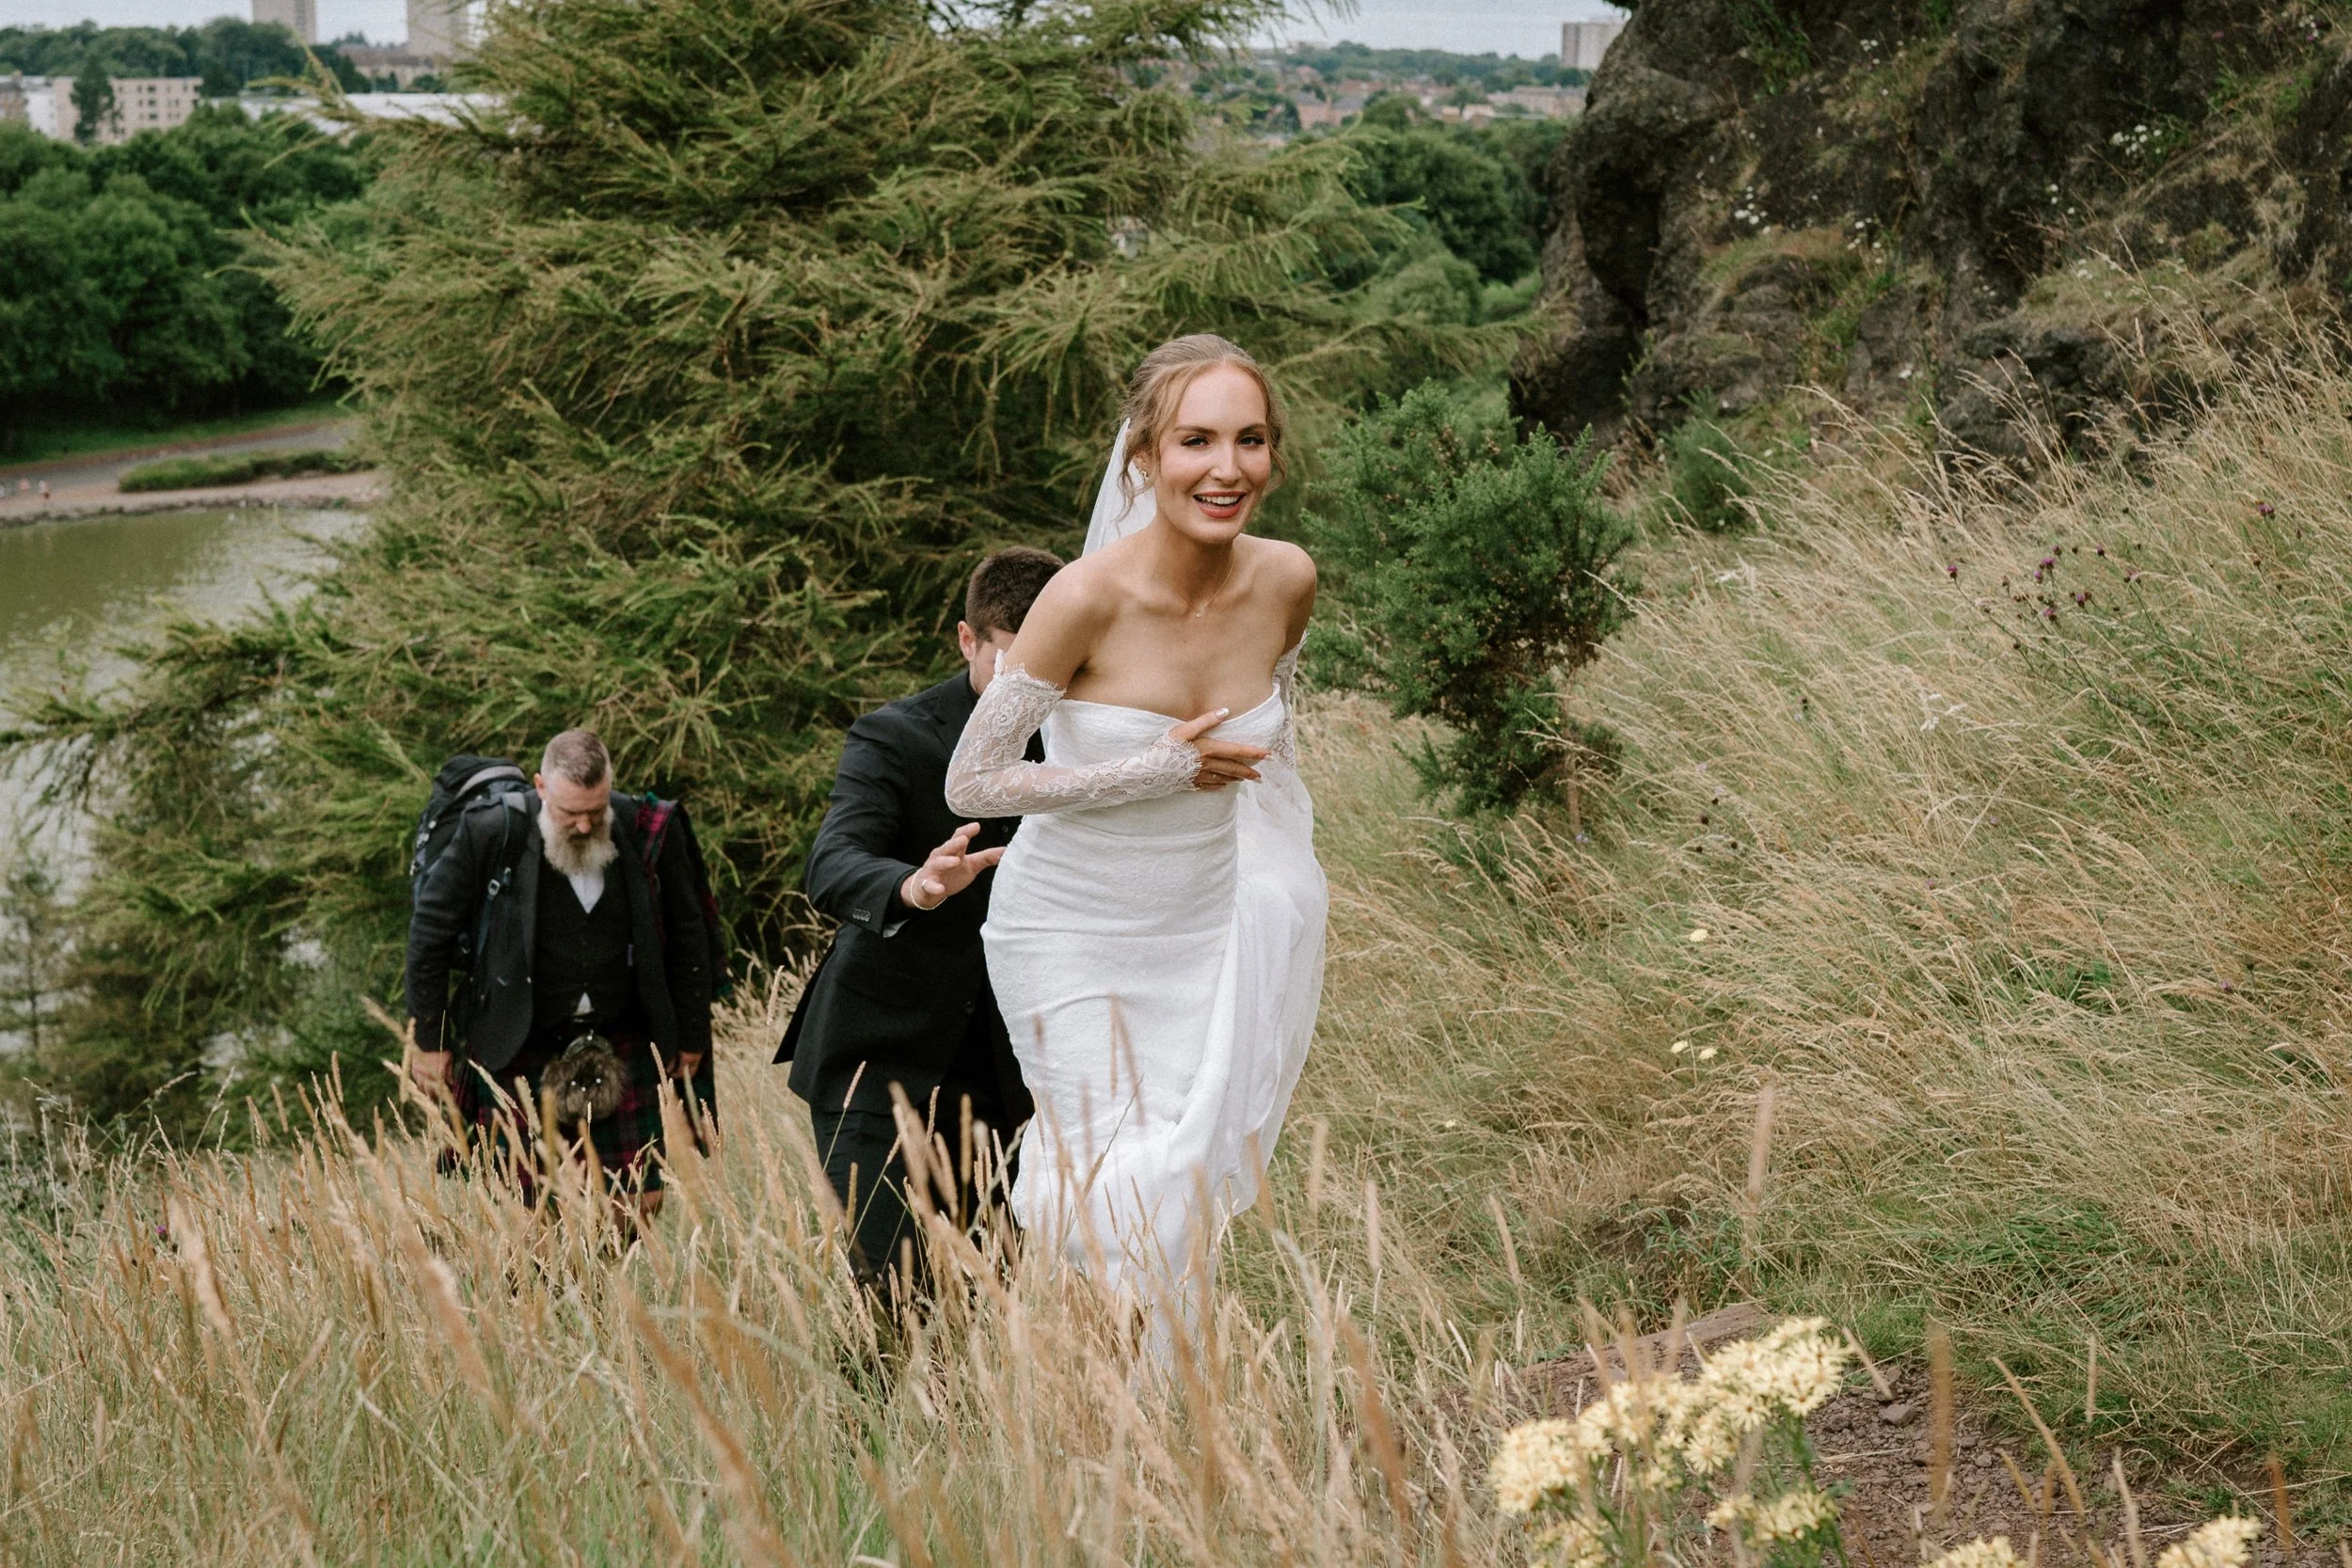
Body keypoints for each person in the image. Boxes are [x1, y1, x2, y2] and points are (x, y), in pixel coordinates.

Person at [945, 334, 1327, 1336]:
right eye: (1196, 439)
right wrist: (1150, 769)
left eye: (1250, 440)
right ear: (1145, 457)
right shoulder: (1083, 598)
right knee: (1107, 1184)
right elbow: (973, 778)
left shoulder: (1286, 581)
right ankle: (1090, 1407)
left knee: (1181, 1185)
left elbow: (1270, 750)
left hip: (1204, 927)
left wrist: (1285, 889)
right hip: (1073, 931)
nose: (1226, 467)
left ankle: (1169, 1429)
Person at [780, 546, 1063, 1299]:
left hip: (1008, 1077)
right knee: (892, 1294)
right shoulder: (893, 736)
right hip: (879, 1061)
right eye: (1015, 661)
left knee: (986, 1297)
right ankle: (866, 1420)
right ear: (969, 640)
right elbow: (832, 861)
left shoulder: (1077, 744)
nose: (1037, 686)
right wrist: (912, 885)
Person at [405, 729, 714, 1217]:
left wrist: (692, 1031)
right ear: (541, 787)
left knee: (641, 1199)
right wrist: (429, 1038)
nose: (587, 825)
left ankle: (596, 1289)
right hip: (519, 1037)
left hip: (623, 1030)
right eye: (572, 813)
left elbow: (689, 936)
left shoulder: (648, 830)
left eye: (597, 809)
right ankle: (545, 1290)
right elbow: (429, 933)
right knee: (531, 1205)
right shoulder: (492, 831)